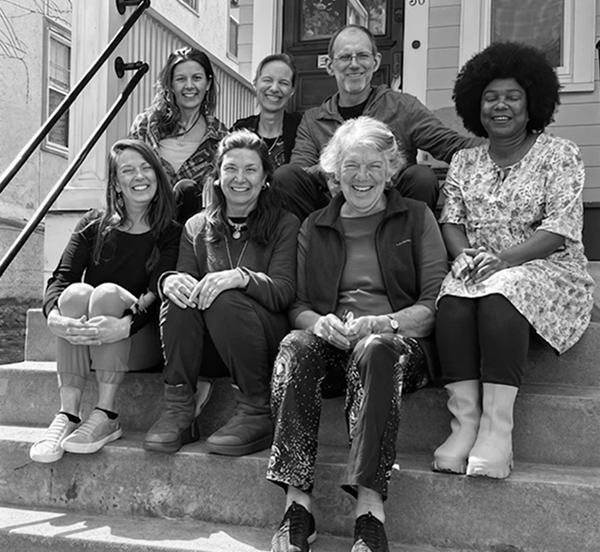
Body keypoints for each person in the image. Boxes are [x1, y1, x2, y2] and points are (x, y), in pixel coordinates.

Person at [267, 117, 448, 552]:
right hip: (336, 347)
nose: (362, 176)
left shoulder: (416, 217)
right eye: (351, 165)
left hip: (397, 348)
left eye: (373, 166)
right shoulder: (315, 226)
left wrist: (384, 323)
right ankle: (297, 507)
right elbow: (298, 306)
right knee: (295, 345)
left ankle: (369, 511)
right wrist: (318, 323)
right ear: (335, 171)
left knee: (376, 347)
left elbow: (433, 305)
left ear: (390, 170)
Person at [432, 42, 595, 480]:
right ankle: (464, 426)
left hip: (546, 267)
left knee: (501, 295)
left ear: (532, 103)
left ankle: (496, 432)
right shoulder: (464, 160)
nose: (500, 105)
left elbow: (559, 228)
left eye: (512, 97)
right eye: (490, 97)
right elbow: (451, 220)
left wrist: (503, 261)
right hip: (481, 266)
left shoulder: (559, 154)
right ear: (476, 105)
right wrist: (463, 255)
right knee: (452, 300)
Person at [144, 129, 300, 456]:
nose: (239, 178)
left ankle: (256, 413)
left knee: (225, 297)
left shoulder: (285, 224)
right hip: (209, 346)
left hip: (260, 341)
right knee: (178, 299)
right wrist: (170, 281)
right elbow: (186, 281)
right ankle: (179, 411)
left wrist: (240, 278)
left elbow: (284, 292)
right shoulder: (196, 226)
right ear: (217, 176)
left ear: (265, 179)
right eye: (230, 168)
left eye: (250, 169)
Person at [29, 139, 181, 463]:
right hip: (92, 340)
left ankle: (107, 414)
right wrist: (54, 318)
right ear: (115, 182)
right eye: (128, 170)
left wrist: (126, 325)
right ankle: (68, 415)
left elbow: (157, 293)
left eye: (146, 168)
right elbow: (61, 279)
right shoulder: (92, 225)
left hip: (140, 341)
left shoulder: (171, 232)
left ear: (157, 174)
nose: (139, 176)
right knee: (75, 294)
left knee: (108, 293)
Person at [275, 24, 481, 220]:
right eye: (345, 57)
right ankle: (312, 242)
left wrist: (499, 145)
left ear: (376, 62)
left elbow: (451, 146)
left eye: (362, 56)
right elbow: (300, 171)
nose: (354, 64)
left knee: (422, 177)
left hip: (391, 209)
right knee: (285, 176)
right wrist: (334, 173)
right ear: (330, 66)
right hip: (332, 212)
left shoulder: (403, 107)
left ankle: (407, 241)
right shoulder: (313, 120)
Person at [130, 47, 228, 223]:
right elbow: (127, 172)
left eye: (196, 78)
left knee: (187, 190)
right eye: (181, 79)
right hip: (146, 222)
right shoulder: (145, 126)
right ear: (170, 85)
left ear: (208, 84)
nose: (189, 86)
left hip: (193, 231)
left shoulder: (220, 138)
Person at [231, 53, 303, 169]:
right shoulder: (240, 130)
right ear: (255, 83)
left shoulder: (302, 131)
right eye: (267, 80)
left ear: (292, 90)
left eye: (283, 83)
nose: (274, 88)